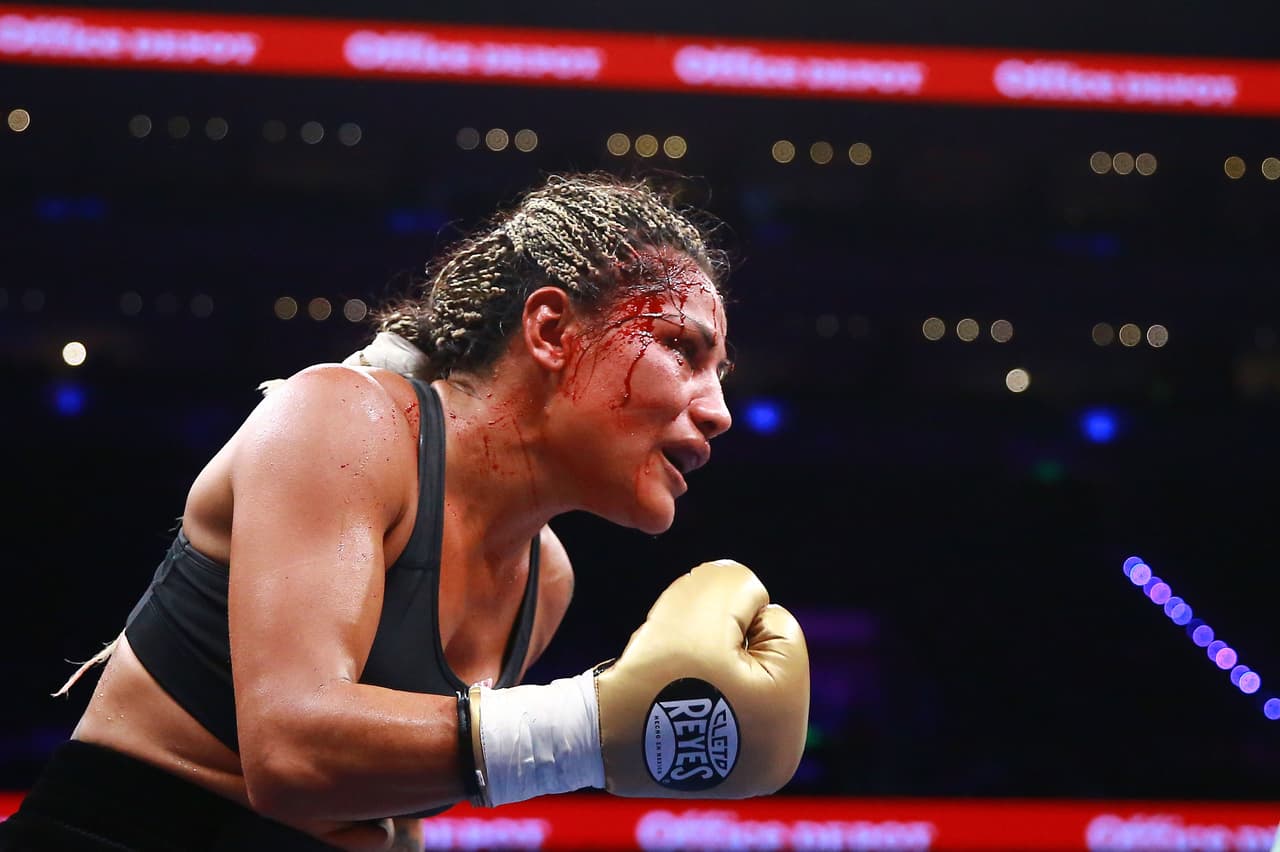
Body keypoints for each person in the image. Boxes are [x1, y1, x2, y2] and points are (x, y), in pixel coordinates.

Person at [0, 173, 810, 851]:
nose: (718, 411)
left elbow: (386, 808)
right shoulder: (350, 421)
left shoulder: (544, 579)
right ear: (554, 329)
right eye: (684, 350)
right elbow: (292, 753)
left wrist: (593, 732)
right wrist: (595, 729)